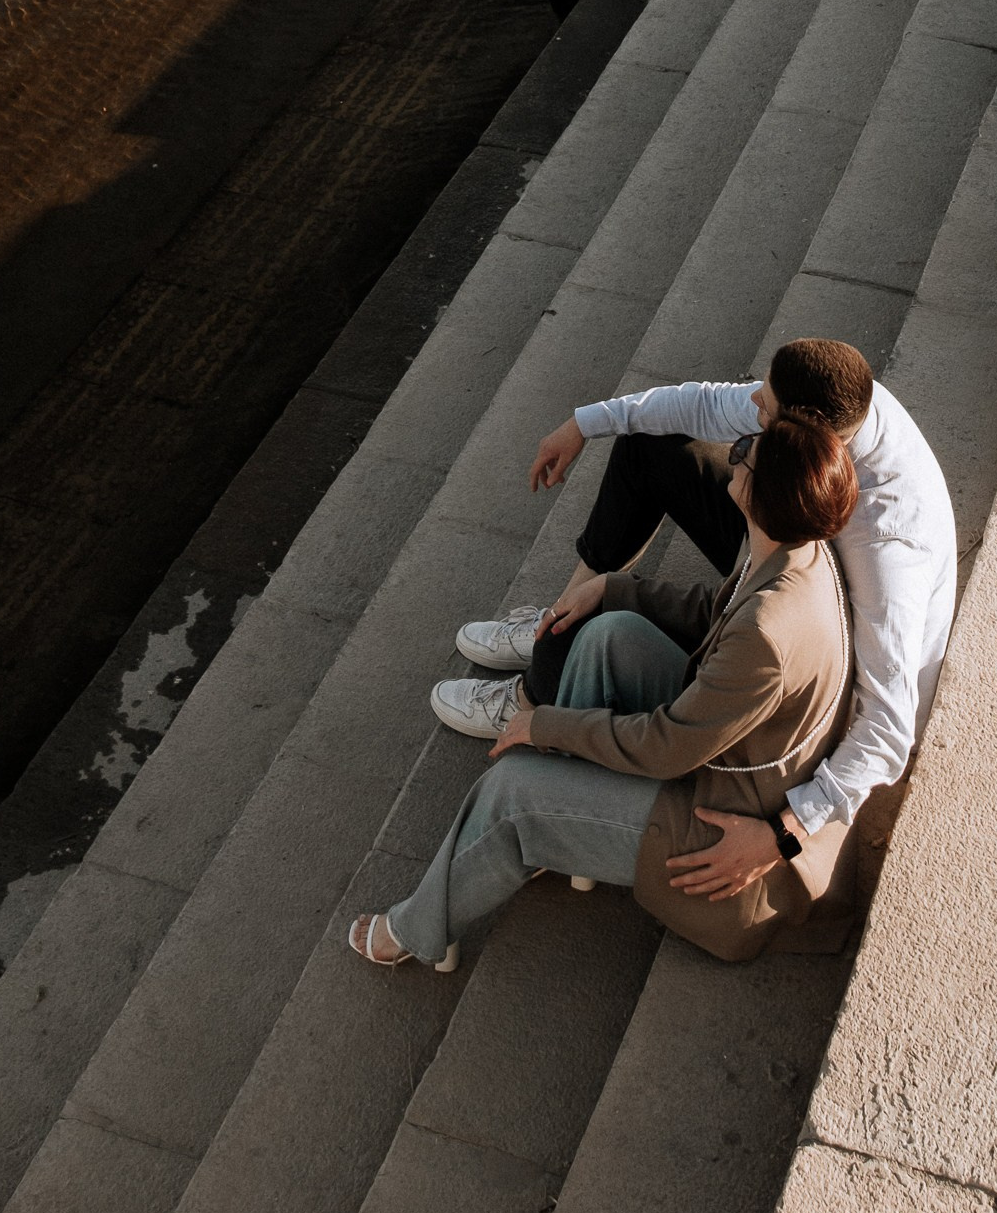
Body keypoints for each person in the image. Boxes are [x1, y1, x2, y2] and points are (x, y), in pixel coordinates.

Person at [434, 336, 955, 913]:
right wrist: (584, 423)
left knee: (658, 678)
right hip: (796, 565)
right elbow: (705, 404)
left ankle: (535, 699)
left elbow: (888, 729)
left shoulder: (888, 549)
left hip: (813, 660)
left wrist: (785, 833)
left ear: (799, 435)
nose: (751, 403)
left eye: (764, 411)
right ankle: (558, 624)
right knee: (648, 444)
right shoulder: (839, 403)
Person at [350, 412, 858, 971]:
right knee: (610, 636)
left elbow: (667, 746)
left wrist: (544, 725)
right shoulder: (796, 549)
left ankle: (416, 929)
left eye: (745, 454)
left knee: (511, 792)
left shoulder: (767, 634)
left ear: (764, 497)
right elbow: (718, 609)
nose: (733, 453)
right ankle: (561, 831)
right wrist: (614, 587)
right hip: (725, 756)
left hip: (715, 830)